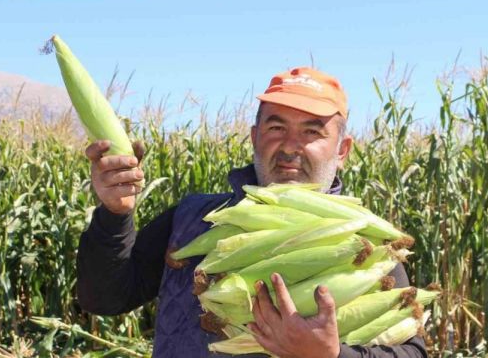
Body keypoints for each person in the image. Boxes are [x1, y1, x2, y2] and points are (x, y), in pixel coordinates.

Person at [77, 67, 428, 358]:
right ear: (254, 136)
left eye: (311, 132)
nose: (291, 146)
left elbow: (413, 352)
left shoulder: (366, 243)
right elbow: (105, 298)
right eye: (277, 128)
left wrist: (331, 355)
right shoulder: (192, 221)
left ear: (342, 150)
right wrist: (114, 214)